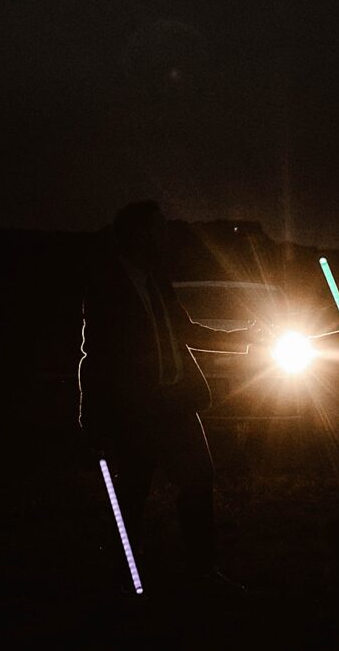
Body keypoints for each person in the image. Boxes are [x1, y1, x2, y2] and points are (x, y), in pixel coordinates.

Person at [77, 201, 250, 589]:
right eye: (159, 229)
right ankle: (124, 576)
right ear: (139, 234)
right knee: (132, 493)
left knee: (199, 478)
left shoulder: (157, 279)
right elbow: (96, 353)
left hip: (177, 403)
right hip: (135, 411)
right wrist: (91, 414)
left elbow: (185, 330)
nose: (165, 237)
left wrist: (239, 341)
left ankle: (201, 570)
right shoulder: (107, 283)